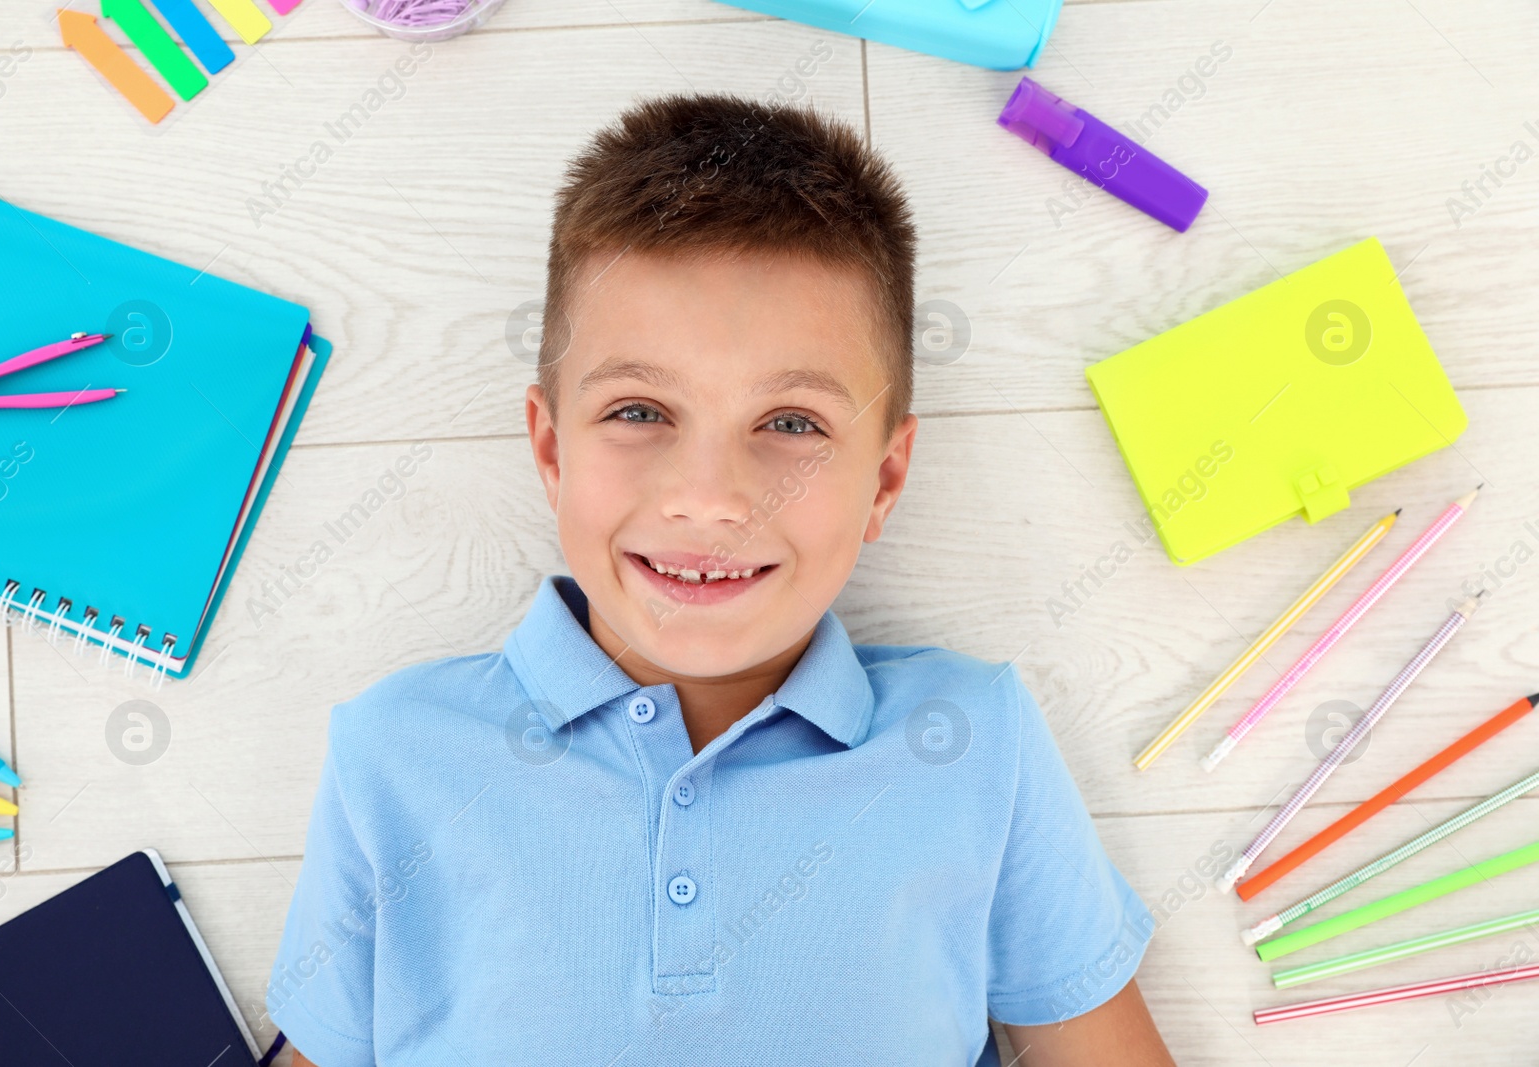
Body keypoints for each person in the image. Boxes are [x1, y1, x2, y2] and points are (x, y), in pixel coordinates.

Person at [270, 92, 1173, 1067]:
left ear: (885, 479)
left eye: (791, 424)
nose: (708, 496)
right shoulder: (395, 750)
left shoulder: (974, 742)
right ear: (549, 448)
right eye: (638, 409)